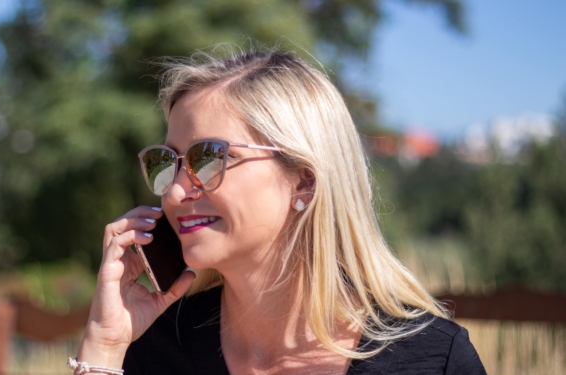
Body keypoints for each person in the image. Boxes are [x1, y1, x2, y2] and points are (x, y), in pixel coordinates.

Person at [73, 49, 486, 374]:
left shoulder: (434, 359)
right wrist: (105, 346)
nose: (177, 191)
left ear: (304, 180)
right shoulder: (156, 347)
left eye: (208, 158)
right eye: (168, 162)